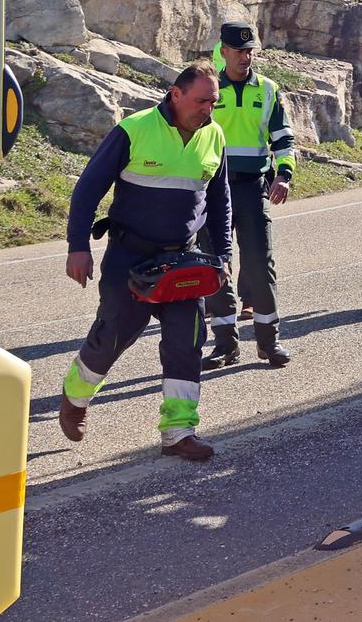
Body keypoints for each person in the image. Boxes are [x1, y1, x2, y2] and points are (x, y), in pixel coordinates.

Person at [59, 62, 231, 462]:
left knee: (186, 343)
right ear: (176, 94)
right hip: (130, 257)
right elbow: (87, 190)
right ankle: (75, 397)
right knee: (111, 338)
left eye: (213, 102)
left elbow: (220, 202)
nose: (208, 109)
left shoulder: (214, 135)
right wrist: (78, 246)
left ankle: (179, 431)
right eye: (201, 100)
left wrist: (223, 256)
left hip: (184, 259)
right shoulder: (134, 130)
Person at [205, 23, 297, 369]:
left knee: (260, 264)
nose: (245, 57)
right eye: (239, 51)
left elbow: (283, 139)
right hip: (213, 190)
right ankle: (225, 345)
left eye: (250, 51)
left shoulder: (269, 89)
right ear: (223, 52)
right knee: (215, 265)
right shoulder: (210, 89)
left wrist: (284, 175)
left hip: (252, 188)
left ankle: (269, 342)